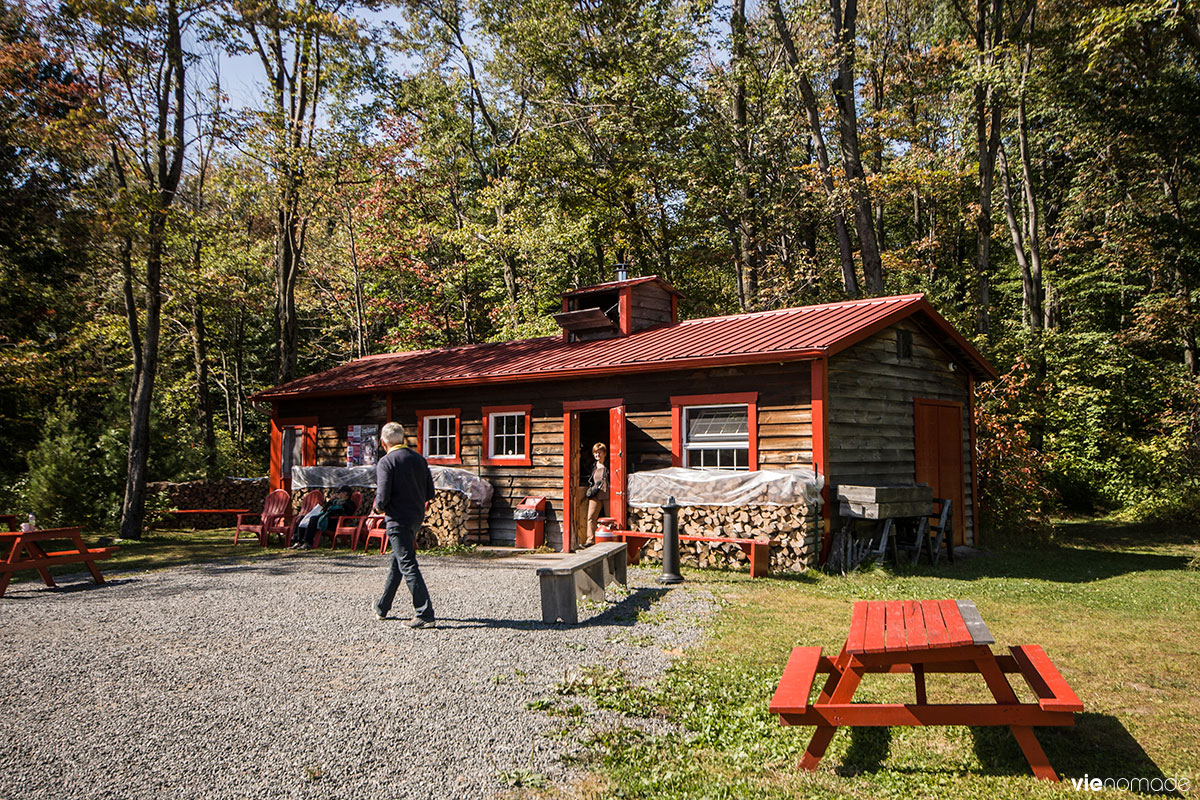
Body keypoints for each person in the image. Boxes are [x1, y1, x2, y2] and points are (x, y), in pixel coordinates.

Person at [372, 421, 436, 629]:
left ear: (383, 442)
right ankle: (383, 607)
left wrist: (377, 509)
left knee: (407, 563)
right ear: (402, 438)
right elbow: (430, 493)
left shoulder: (386, 462)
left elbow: (382, 497)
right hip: (415, 516)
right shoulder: (419, 459)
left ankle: (425, 613)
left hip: (397, 518)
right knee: (398, 561)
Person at [291, 486, 358, 550]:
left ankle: (308, 542)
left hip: (333, 522)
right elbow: (324, 508)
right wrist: (330, 501)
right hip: (326, 518)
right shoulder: (335, 501)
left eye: (339, 493)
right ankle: (298, 541)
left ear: (345, 494)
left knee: (313, 519)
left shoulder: (349, 503)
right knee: (302, 518)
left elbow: (342, 512)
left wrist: (332, 509)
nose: (338, 495)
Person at [584, 442, 609, 547]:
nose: (597, 455)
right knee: (591, 517)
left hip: (607, 495)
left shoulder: (609, 465)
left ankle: (610, 539)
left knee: (609, 518)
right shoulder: (592, 466)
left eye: (599, 452)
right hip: (595, 494)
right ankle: (590, 540)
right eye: (595, 453)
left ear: (604, 453)